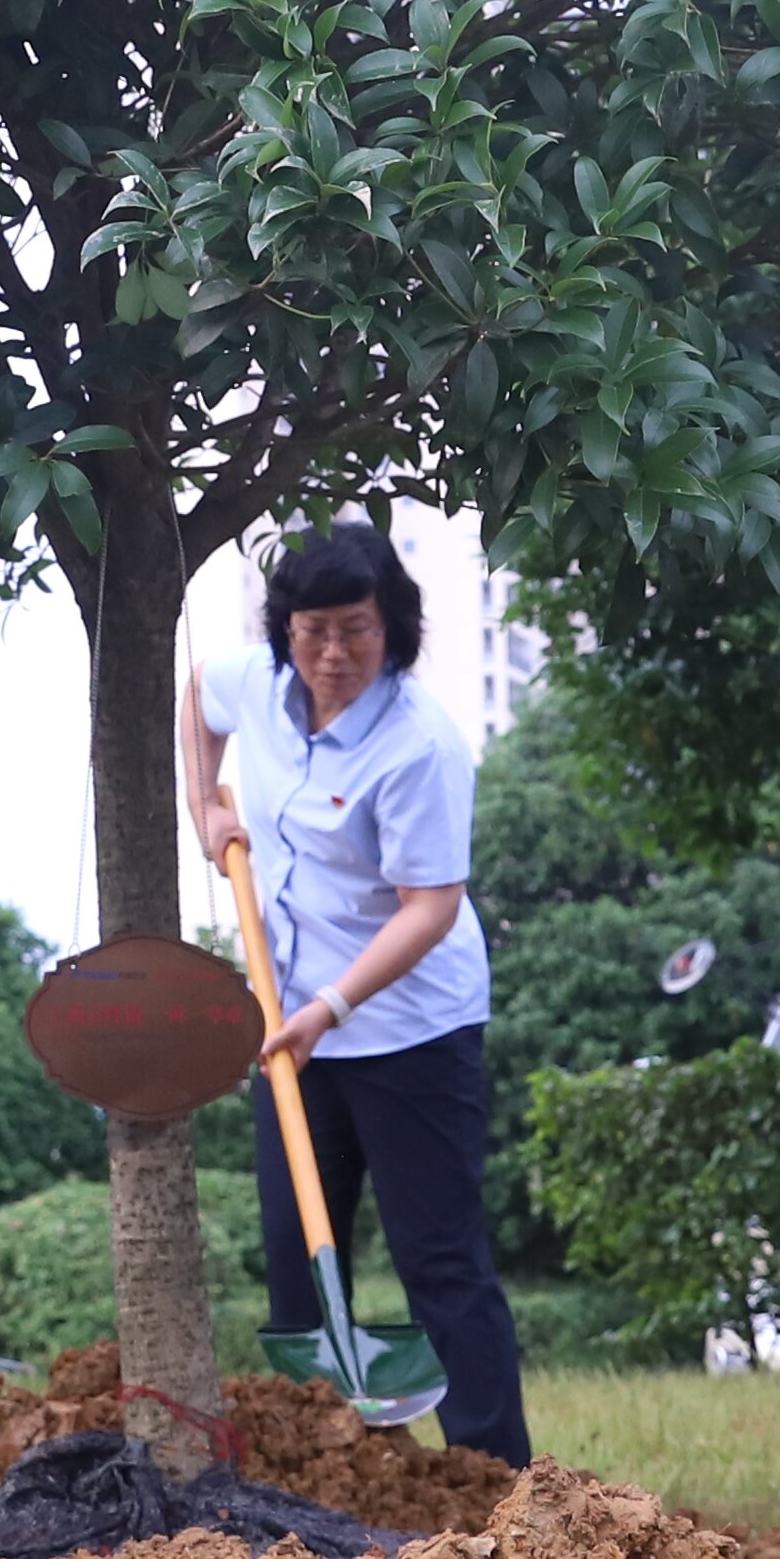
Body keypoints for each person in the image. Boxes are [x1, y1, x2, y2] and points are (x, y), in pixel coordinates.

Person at [178, 514, 526, 1461]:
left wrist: (331, 1008)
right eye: (314, 630)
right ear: (286, 628)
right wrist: (205, 803)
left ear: (394, 631)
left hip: (409, 1029)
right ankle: (316, 1473)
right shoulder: (262, 683)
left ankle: (498, 1476)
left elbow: (430, 906)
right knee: (297, 1265)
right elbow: (198, 690)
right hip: (289, 1025)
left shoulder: (420, 748)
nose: (333, 655)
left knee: (439, 1262)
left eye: (357, 631)